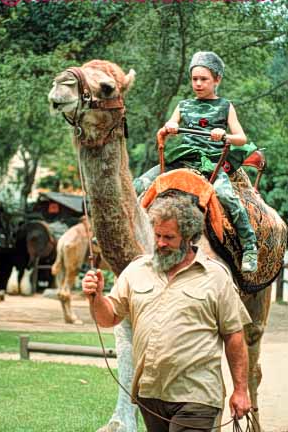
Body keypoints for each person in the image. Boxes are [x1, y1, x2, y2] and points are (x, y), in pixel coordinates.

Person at [82, 193, 252, 432]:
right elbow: (108, 318)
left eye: (169, 237)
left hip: (197, 396)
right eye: (158, 235)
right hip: (150, 396)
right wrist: (97, 297)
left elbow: (234, 335)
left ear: (189, 237)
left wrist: (240, 390)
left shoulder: (216, 277)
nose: (160, 243)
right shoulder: (136, 270)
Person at [133, 51, 258, 273]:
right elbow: (167, 126)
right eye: (195, 79)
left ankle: (249, 246)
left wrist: (224, 135)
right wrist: (168, 128)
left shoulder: (225, 106)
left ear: (217, 80)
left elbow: (241, 137)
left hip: (211, 164)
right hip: (182, 160)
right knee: (139, 184)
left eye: (204, 79)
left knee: (226, 196)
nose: (198, 84)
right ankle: (125, 232)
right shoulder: (183, 105)